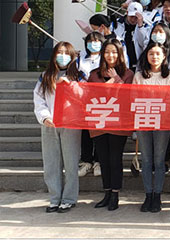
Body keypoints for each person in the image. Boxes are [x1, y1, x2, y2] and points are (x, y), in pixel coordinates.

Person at [33, 42, 84, 213]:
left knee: (71, 163)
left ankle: (69, 199)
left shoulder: (78, 76)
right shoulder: (45, 76)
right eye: (59, 53)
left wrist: (70, 86)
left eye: (66, 53)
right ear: (54, 55)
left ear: (72, 56)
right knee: (51, 163)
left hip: (71, 124)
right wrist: (45, 117)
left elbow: (84, 97)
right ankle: (54, 198)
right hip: (50, 124)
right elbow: (39, 99)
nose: (62, 56)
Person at [87, 39, 135, 211]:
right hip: (99, 120)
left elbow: (127, 95)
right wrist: (109, 84)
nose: (110, 55)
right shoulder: (94, 74)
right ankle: (106, 192)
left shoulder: (127, 74)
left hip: (118, 121)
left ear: (120, 54)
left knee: (115, 158)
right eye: (107, 52)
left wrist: (116, 79)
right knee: (103, 159)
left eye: (114, 52)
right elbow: (92, 94)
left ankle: (115, 193)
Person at [134, 42, 170, 213]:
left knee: (159, 160)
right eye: (151, 53)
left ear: (164, 56)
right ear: (146, 56)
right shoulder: (139, 76)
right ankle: (148, 194)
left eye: (158, 54)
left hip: (162, 121)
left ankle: (157, 195)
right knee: (146, 160)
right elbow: (134, 98)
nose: (154, 57)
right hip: (143, 120)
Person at [76, 31, 106, 178]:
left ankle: (98, 161)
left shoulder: (106, 58)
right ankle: (86, 161)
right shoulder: (80, 59)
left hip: (102, 100)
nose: (93, 44)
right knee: (86, 131)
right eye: (90, 41)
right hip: (84, 99)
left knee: (100, 131)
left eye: (96, 41)